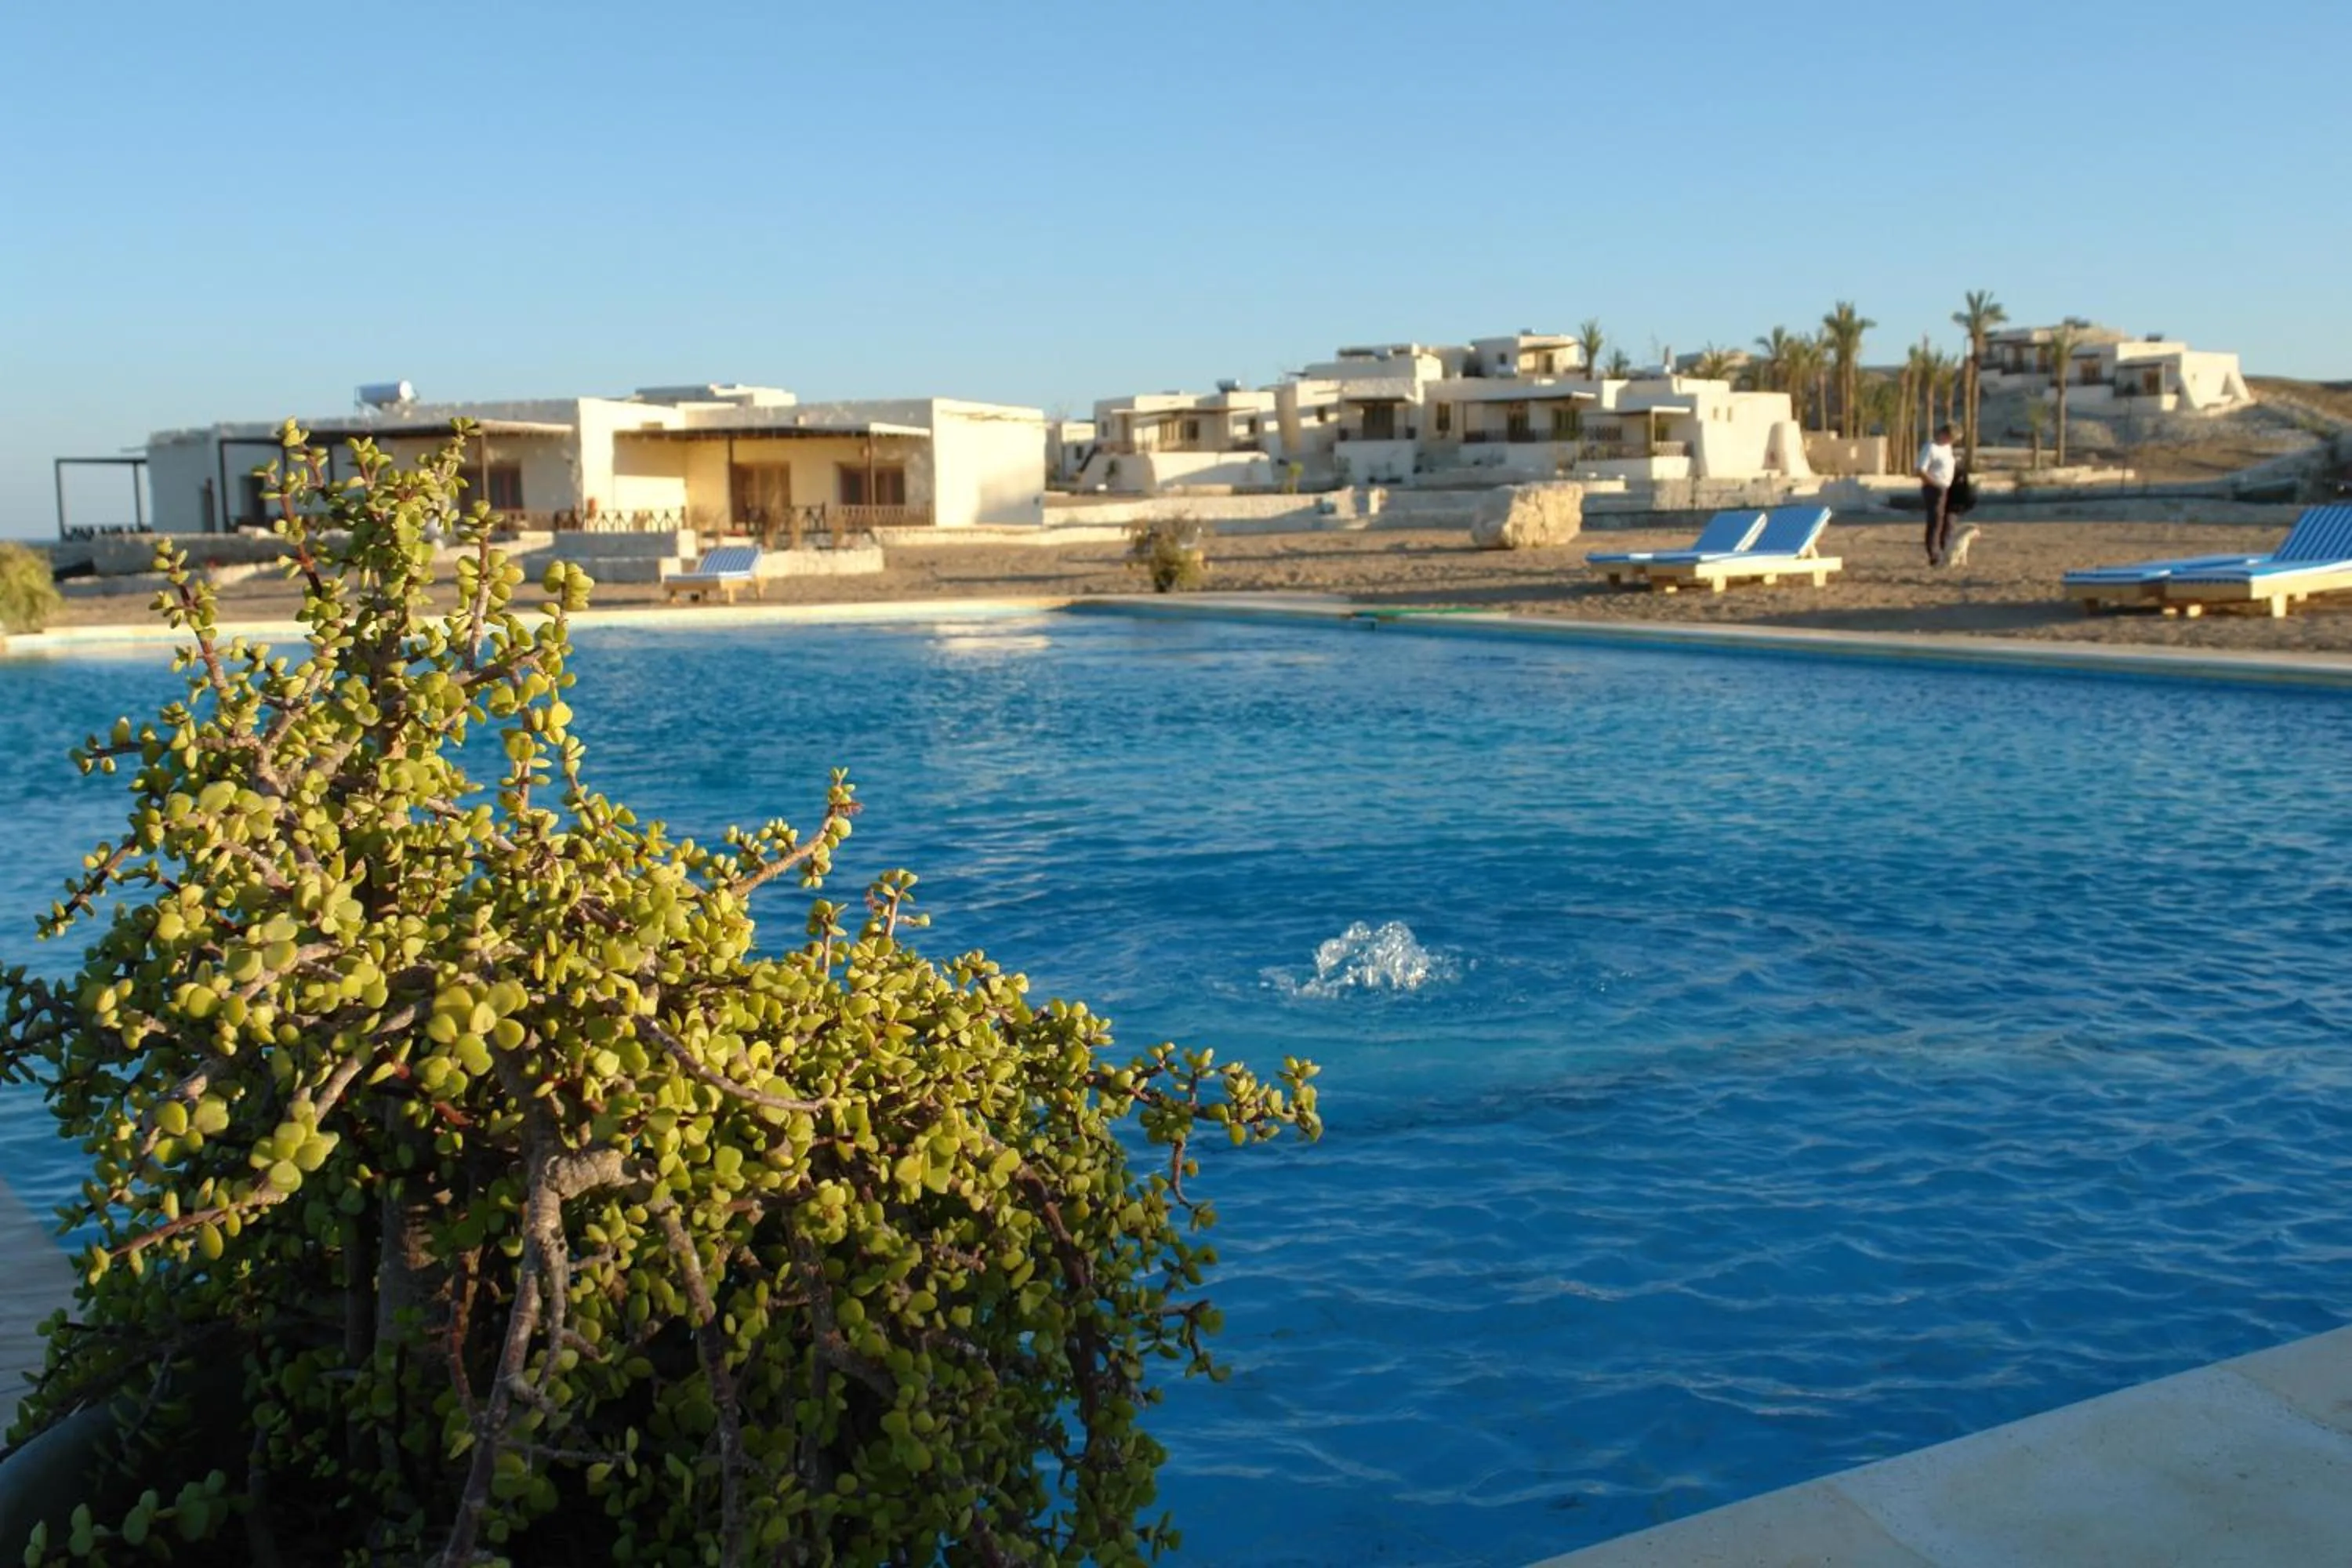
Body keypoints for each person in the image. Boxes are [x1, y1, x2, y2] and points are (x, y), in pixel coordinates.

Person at [1915, 423, 1960, 567]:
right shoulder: (1930, 448)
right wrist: (1934, 484)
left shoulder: (1947, 448)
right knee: (1936, 521)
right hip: (1934, 488)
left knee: (1949, 519)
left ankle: (1946, 550)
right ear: (1943, 434)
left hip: (1947, 487)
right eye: (1950, 438)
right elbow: (1920, 470)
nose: (1951, 442)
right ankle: (1934, 554)